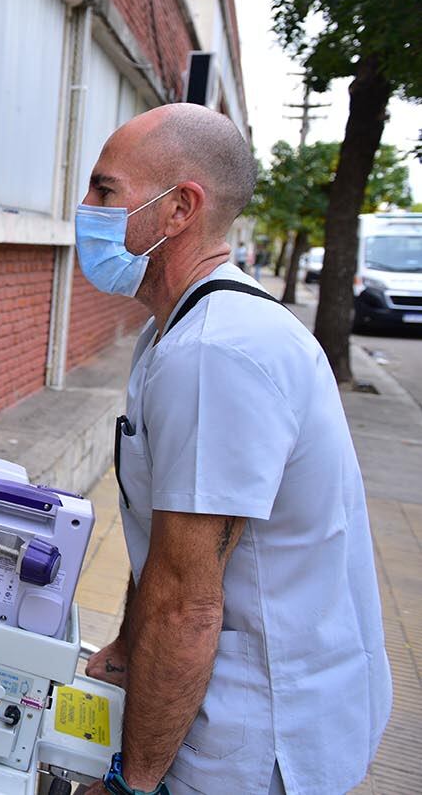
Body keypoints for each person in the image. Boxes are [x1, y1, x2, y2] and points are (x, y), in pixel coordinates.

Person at [74, 103, 389, 795]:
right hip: (230, 705)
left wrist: (134, 782)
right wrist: (127, 647)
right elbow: (163, 542)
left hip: (257, 737)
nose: (85, 210)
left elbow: (187, 601)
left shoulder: (216, 353)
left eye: (105, 191)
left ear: (179, 208)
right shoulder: (178, 332)